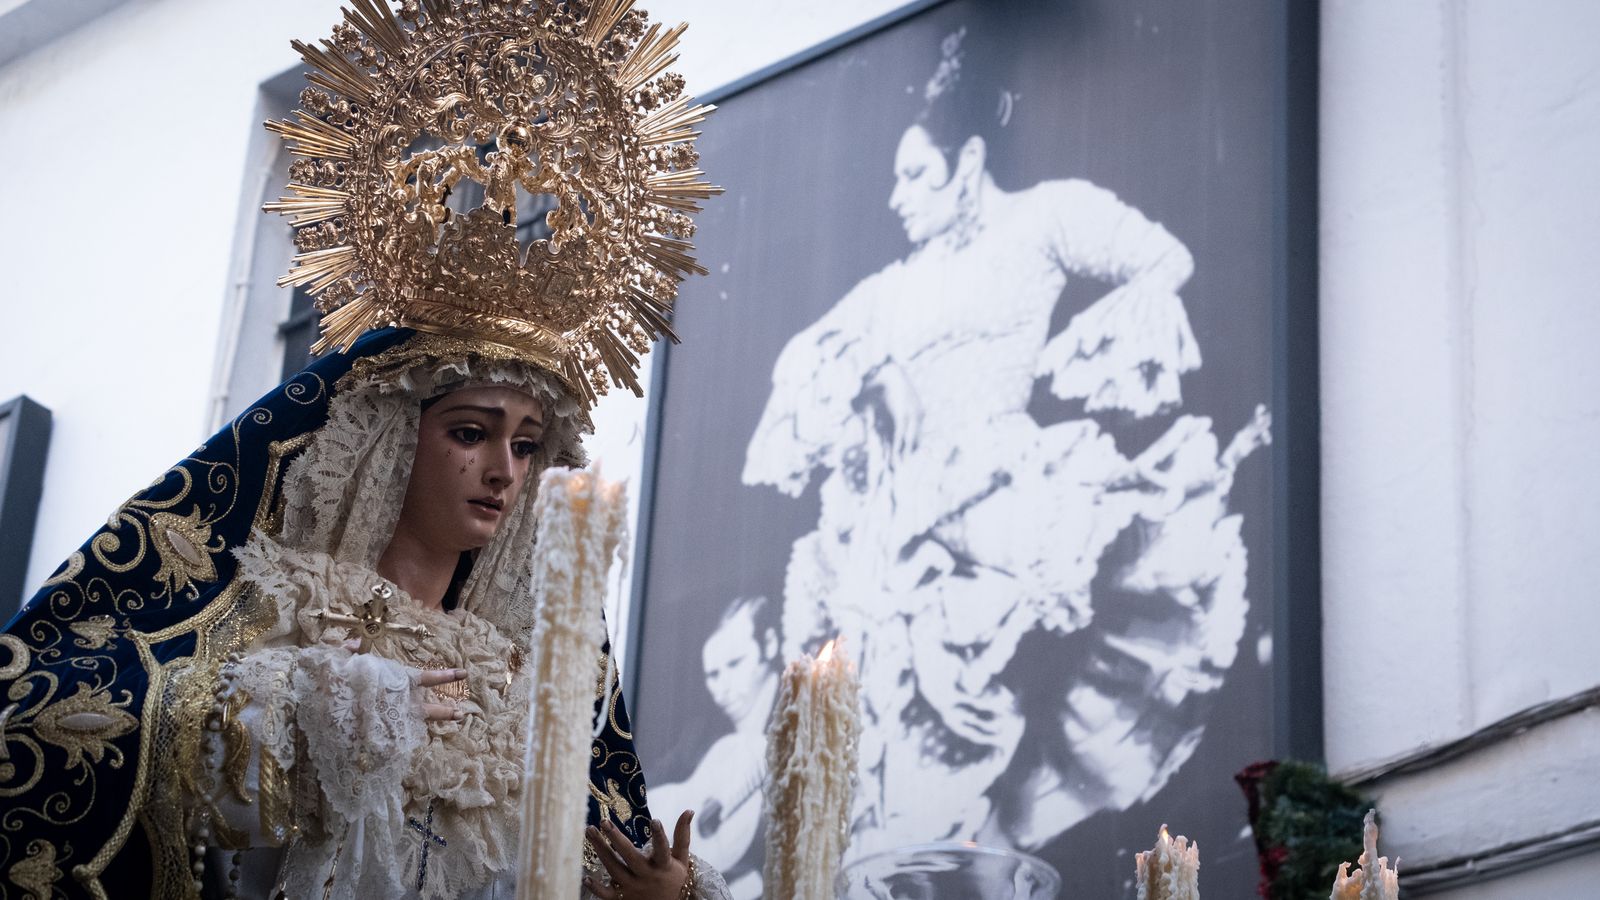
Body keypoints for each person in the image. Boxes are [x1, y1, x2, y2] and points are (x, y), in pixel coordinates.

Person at [0, 2, 730, 898]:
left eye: (527, 445)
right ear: (387, 442)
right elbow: (44, 718)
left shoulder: (532, 688)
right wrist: (305, 714)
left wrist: (658, 891)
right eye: (470, 432)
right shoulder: (273, 610)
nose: (504, 471)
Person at [743, 24, 1264, 857]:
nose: (898, 197)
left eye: (917, 175)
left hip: (1000, 506)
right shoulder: (893, 287)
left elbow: (1161, 259)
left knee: (964, 725)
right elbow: (802, 359)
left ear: (970, 162)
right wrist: (878, 371)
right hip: (891, 533)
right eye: (896, 177)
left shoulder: (1045, 217)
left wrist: (1096, 355)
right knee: (874, 745)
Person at [649, 596, 783, 896]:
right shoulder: (699, 735)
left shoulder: (799, 723)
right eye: (713, 674)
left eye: (735, 663)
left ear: (770, 644)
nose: (722, 688)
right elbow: (641, 791)